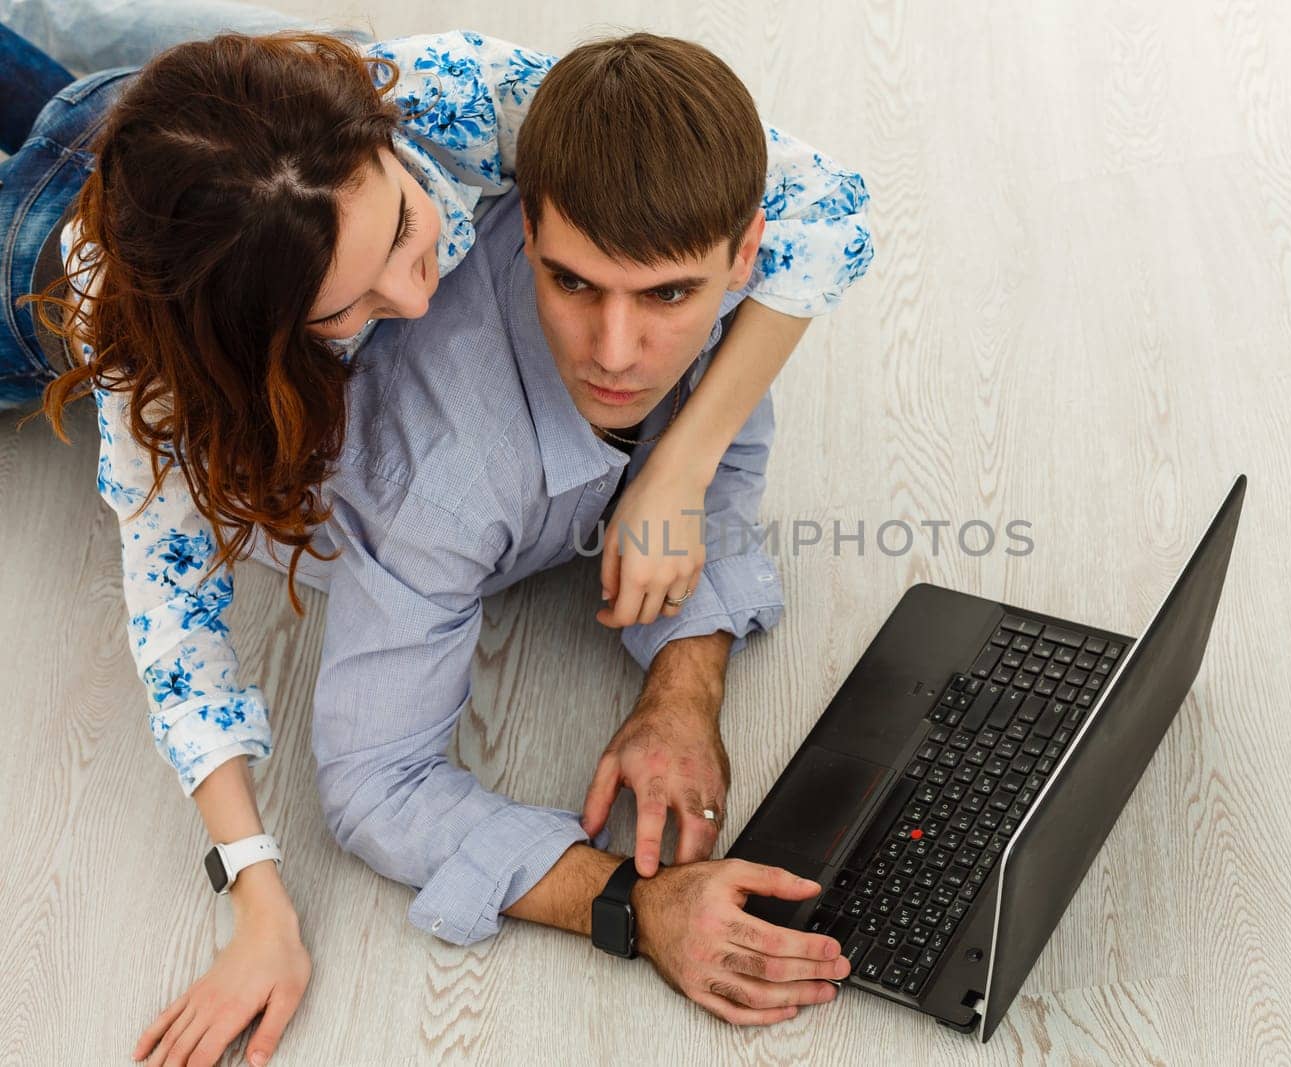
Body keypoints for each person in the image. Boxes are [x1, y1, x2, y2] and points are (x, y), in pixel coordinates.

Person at [1, 18, 871, 1067]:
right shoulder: (177, 364)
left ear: (383, 135)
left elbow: (825, 206)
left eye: (410, 230)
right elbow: (184, 641)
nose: (416, 297)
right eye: (352, 304)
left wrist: (681, 657)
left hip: (181, 122)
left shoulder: (455, 97)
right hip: (52, 263)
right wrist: (260, 899)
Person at [304, 30, 866, 1031]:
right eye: (572, 284)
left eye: (668, 295)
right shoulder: (443, 485)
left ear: (746, 256)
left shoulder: (731, 298)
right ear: (522, 227)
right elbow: (375, 783)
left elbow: (718, 468)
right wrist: (630, 901)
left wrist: (682, 692)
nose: (617, 352)